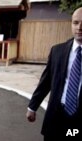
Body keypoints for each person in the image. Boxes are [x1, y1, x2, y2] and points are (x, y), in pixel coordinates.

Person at [26, 7, 82, 141]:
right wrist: (32, 106)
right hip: (57, 115)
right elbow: (46, 82)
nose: (79, 27)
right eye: (75, 23)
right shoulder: (57, 51)